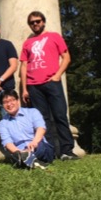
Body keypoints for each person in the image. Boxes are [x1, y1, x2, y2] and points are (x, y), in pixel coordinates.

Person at [20, 10, 78, 160]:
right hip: (33, 86)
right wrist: (25, 89)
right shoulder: (27, 43)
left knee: (60, 116)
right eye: (32, 22)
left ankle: (66, 151)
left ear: (43, 22)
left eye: (37, 21)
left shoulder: (54, 37)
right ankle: (49, 152)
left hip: (51, 83)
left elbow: (66, 57)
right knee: (42, 121)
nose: (35, 24)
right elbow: (24, 66)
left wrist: (57, 76)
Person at [0, 89, 54, 169]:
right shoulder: (2, 123)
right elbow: (7, 143)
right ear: (3, 105)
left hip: (38, 146)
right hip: (20, 150)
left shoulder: (33, 112)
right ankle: (32, 161)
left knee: (40, 148)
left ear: (18, 100)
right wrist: (20, 153)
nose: (9, 104)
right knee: (14, 154)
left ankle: (26, 161)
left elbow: (41, 128)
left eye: (12, 100)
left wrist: (34, 142)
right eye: (5, 102)